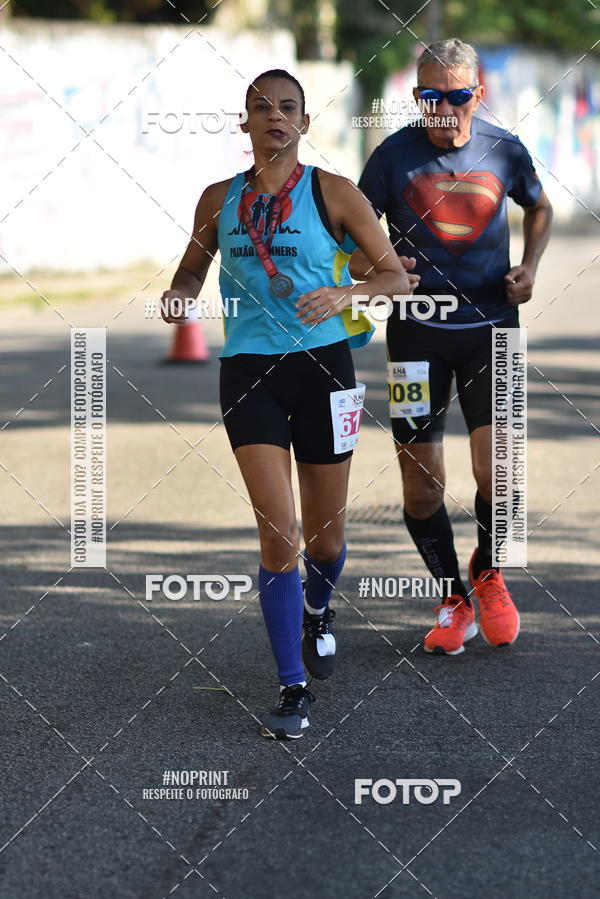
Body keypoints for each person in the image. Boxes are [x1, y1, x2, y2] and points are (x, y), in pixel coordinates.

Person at [161, 69, 410, 737]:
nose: (275, 116)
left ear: (304, 122)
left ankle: (318, 610)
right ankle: (292, 685)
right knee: (279, 534)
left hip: (324, 370)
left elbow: (395, 278)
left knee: (326, 539)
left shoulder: (334, 193)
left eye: (288, 107)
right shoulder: (218, 199)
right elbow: (192, 267)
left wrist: (344, 295)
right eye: (261, 107)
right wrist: (179, 294)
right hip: (248, 372)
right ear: (244, 122)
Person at [349, 39, 553, 655]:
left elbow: (539, 208)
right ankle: (452, 597)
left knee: (499, 471)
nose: (443, 108)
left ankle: (488, 572)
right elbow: (350, 245)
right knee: (421, 486)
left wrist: (530, 267)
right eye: (429, 96)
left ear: (477, 94)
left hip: (494, 331)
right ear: (416, 97)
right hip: (415, 338)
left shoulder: (504, 149)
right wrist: (375, 268)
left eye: (457, 95)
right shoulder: (390, 158)